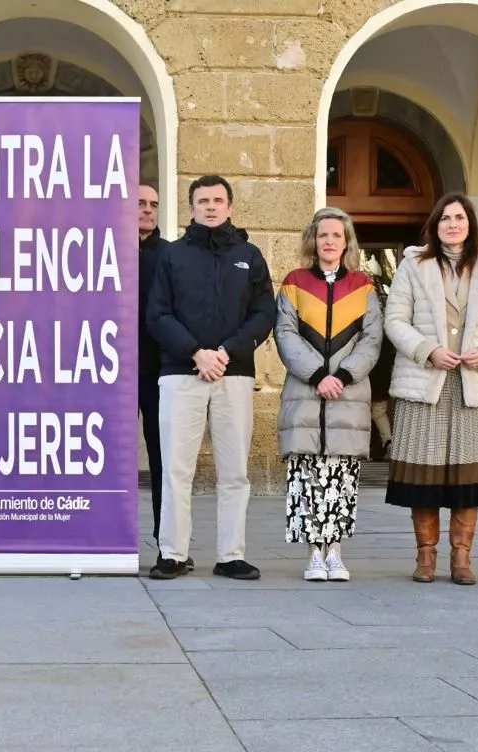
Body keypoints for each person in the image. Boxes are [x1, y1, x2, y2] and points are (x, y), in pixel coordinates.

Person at [145, 174, 276, 581]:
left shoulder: (249, 255)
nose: (211, 207)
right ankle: (172, 553)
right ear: (191, 208)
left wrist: (226, 352)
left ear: (230, 207)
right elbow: (157, 314)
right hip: (180, 373)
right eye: (203, 201)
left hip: (233, 374)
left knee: (234, 470)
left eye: (218, 200)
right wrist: (195, 352)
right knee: (175, 469)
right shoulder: (173, 256)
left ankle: (231, 555)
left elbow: (264, 313)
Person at [384, 193, 478, 585]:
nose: (453, 224)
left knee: (467, 479)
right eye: (445, 218)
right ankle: (426, 557)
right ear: (435, 224)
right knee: (423, 477)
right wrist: (427, 350)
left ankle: (461, 558)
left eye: (459, 218)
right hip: (425, 384)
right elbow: (395, 320)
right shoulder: (413, 264)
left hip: (472, 386)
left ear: (470, 224)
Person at [274, 207, 382, 581]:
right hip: (305, 396)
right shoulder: (295, 283)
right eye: (324, 235)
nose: (330, 241)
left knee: (341, 480)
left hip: (347, 398)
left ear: (347, 242)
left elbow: (372, 338)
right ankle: (314, 555)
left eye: (337, 235)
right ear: (313, 240)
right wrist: (318, 375)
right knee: (306, 478)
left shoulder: (363, 285)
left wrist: (345, 375)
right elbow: (285, 334)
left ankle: (334, 552)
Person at [136, 183, 172, 551]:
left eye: (153, 204)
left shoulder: (170, 256)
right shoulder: (106, 250)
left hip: (158, 374)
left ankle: (167, 541)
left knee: (162, 459)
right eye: (140, 203)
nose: (148, 210)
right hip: (112, 375)